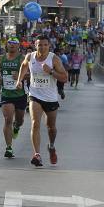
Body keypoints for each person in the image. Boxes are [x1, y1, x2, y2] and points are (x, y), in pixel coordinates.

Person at [16, 34, 68, 167]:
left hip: (50, 98)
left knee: (51, 128)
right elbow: (23, 66)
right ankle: (37, 155)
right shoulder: (30, 57)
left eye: (45, 45)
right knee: (35, 123)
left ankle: (51, 146)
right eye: (40, 45)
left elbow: (64, 78)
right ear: (35, 45)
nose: (42, 47)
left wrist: (51, 72)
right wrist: (19, 80)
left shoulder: (54, 59)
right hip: (35, 95)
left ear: (49, 46)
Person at [0, 37, 27, 159]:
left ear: (18, 46)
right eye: (10, 43)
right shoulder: (0, 58)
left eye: (14, 43)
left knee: (20, 120)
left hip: (20, 94)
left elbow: (30, 75)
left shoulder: (23, 59)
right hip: (7, 94)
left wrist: (20, 76)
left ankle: (16, 126)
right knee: (8, 119)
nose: (12, 45)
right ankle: (9, 147)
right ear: (6, 45)